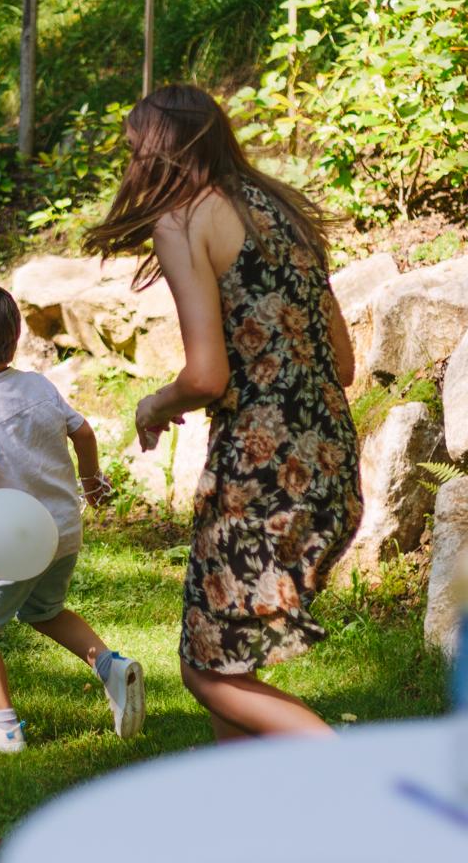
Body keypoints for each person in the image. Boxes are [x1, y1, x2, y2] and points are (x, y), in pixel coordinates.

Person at [83, 84, 362, 742]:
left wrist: (154, 405)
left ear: (165, 150)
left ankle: (355, 778)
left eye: (134, 150)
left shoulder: (184, 219)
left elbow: (207, 375)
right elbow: (344, 365)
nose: (130, 165)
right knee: (227, 657)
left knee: (207, 673)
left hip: (259, 471)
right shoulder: (281, 210)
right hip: (329, 458)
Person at [0, 281, 145, 753]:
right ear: (14, 339)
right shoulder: (38, 385)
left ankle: (3, 729)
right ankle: (112, 667)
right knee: (44, 611)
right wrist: (92, 483)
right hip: (64, 529)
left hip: (18, 541)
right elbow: (83, 433)